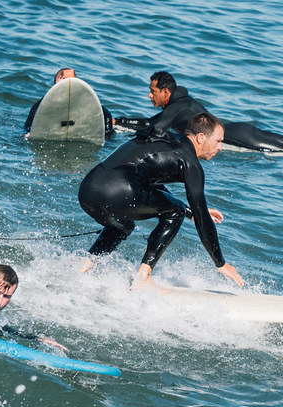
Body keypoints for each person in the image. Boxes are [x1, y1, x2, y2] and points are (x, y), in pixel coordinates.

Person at [77, 112, 244, 288]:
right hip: (119, 190)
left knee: (123, 226)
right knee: (176, 210)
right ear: (201, 137)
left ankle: (85, 267)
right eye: (218, 141)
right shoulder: (190, 163)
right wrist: (220, 263)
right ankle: (143, 276)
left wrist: (191, 211)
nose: (220, 147)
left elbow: (144, 181)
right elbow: (202, 219)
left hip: (89, 189)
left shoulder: (166, 142)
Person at [132, 71, 283, 164]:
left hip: (237, 136)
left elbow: (155, 127)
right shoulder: (182, 102)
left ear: (166, 92)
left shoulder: (176, 106)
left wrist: (118, 123)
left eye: (152, 91)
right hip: (239, 128)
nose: (149, 96)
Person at [24, 67, 131, 141]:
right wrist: (31, 132)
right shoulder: (43, 103)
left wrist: (107, 135)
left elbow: (106, 115)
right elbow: (28, 124)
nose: (67, 85)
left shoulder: (84, 100)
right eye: (63, 81)